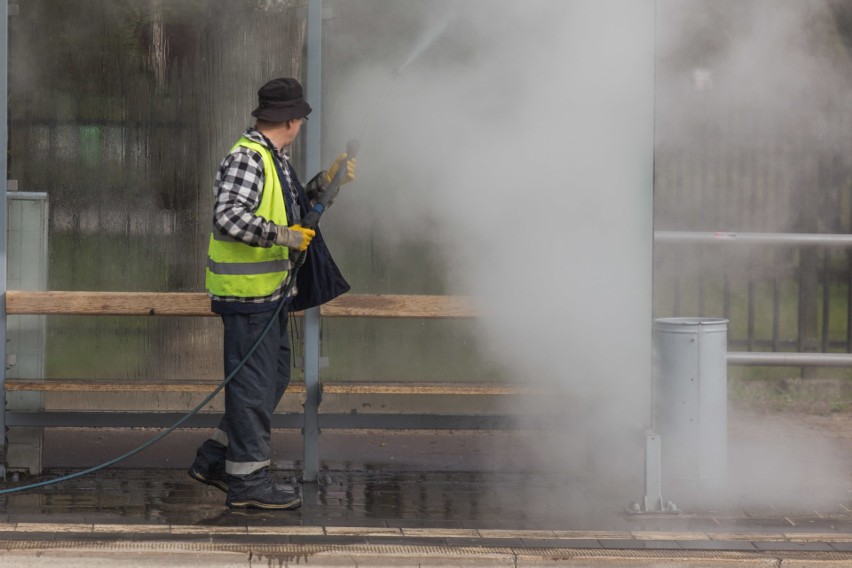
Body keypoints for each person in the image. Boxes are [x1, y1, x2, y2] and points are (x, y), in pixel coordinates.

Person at [188, 78, 354, 510]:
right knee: (252, 388)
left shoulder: (272, 157)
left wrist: (327, 185)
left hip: (268, 296)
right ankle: (248, 483)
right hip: (248, 298)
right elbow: (228, 216)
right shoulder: (249, 158)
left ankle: (217, 459)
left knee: (271, 379)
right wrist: (282, 236)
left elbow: (295, 213)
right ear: (293, 120)